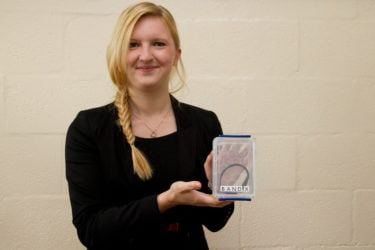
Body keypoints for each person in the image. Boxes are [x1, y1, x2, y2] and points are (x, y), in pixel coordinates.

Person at [65, 2, 234, 249]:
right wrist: (166, 200)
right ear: (118, 54)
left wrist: (219, 188)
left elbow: (216, 222)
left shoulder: (204, 123)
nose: (146, 55)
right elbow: (91, 230)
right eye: (133, 44)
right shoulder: (88, 128)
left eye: (158, 43)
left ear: (176, 55)